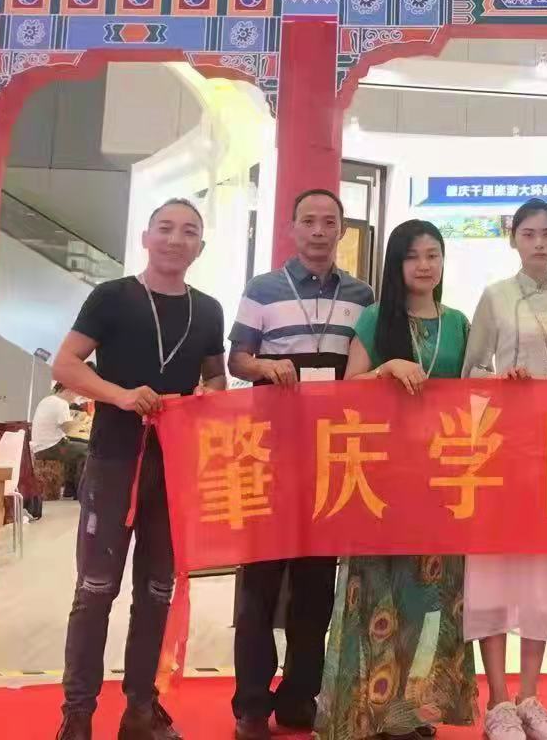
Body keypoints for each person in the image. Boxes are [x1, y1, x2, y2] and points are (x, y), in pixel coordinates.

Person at [50, 198, 227, 740]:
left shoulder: (208, 310)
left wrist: (206, 396)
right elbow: (65, 364)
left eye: (189, 231)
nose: (176, 239)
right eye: (165, 228)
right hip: (113, 461)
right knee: (95, 590)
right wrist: (121, 396)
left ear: (200, 246)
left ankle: (140, 710)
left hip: (175, 468)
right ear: (147, 238)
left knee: (155, 592)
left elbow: (216, 380)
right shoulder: (111, 297)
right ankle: (77, 714)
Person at [226, 188, 376, 740]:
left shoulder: (362, 296)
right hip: (269, 454)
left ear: (342, 230)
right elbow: (236, 359)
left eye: (328, 222)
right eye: (308, 221)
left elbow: (368, 367)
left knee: (316, 589)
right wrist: (265, 367)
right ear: (292, 228)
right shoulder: (262, 289)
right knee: (259, 585)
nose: (318, 231)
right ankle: (250, 705)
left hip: (333, 458)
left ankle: (298, 698)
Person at [321, 220, 478, 740]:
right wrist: (386, 368)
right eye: (413, 256)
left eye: (433, 254)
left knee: (432, 598)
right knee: (377, 594)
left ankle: (415, 711)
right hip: (382, 477)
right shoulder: (374, 319)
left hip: (442, 478)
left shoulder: (458, 323)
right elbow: (348, 390)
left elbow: (475, 394)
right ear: (397, 264)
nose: (425, 265)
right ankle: (368, 713)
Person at [461, 199, 547, 740]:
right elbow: (469, 371)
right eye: (529, 233)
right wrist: (498, 381)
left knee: (542, 575)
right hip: (500, 448)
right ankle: (497, 700)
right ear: (513, 239)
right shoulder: (494, 296)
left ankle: (530, 694)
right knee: (494, 571)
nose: (539, 243)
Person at [30, 382, 89, 495]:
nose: (75, 399)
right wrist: (80, 420)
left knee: (76, 448)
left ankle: (70, 489)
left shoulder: (47, 400)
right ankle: (80, 491)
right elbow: (67, 429)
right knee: (86, 450)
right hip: (51, 446)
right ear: (69, 390)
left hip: (40, 446)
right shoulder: (61, 404)